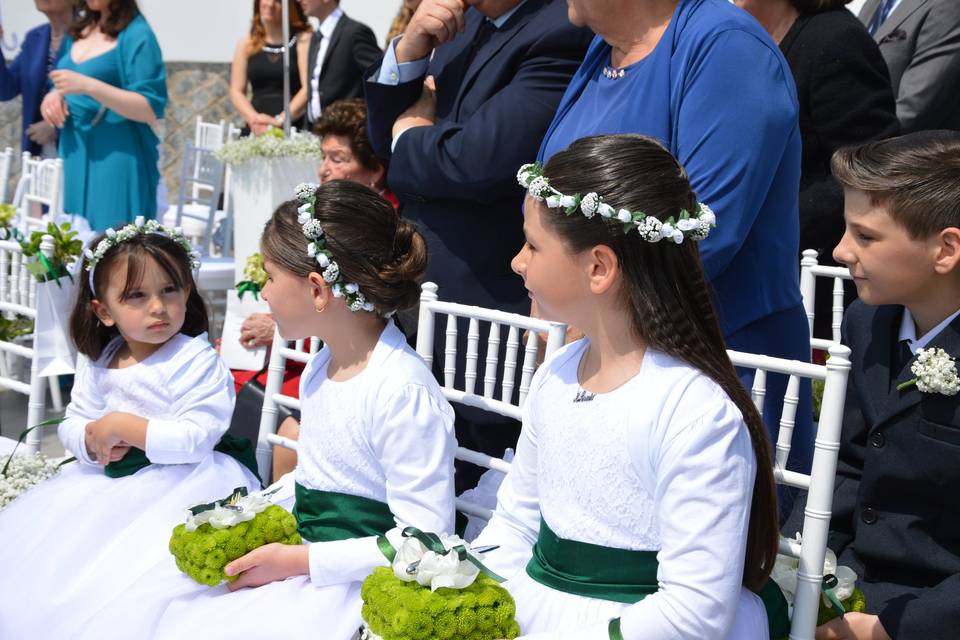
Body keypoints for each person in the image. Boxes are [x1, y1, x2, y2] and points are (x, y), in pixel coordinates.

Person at [472, 134, 786, 639]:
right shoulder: (556, 374)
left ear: (599, 267)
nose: (517, 261)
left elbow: (694, 610)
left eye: (533, 245)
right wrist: (463, 597)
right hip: (535, 605)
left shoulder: (695, 410)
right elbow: (515, 521)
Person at [152, 182, 457, 639]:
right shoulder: (323, 363)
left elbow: (425, 540)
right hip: (303, 556)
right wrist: (249, 510)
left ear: (317, 289)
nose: (266, 294)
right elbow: (318, 476)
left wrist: (298, 561)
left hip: (353, 587)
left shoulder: (401, 393)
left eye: (271, 277)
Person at [534, 0, 812, 490]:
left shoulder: (726, 45)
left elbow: (702, 231)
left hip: (711, 364)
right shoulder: (602, 50)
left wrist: (581, 315)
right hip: (600, 352)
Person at [365, 0, 593, 491]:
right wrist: (409, 48)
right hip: (421, 292)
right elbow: (382, 141)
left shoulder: (558, 29)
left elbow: (479, 160)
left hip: (486, 296)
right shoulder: (459, 27)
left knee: (478, 477)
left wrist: (413, 134)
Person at [0, 219, 260, 638]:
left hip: (183, 483)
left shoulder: (194, 359)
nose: (157, 307)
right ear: (104, 311)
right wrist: (89, 438)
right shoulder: (103, 360)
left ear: (187, 292)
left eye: (169, 290)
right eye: (136, 296)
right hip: (103, 481)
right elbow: (74, 419)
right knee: (62, 562)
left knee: (136, 575)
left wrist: (124, 425)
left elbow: (197, 436)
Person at [815, 131, 960, 640]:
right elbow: (846, 464)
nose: (841, 250)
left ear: (946, 249)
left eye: (866, 236)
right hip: (851, 583)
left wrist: (889, 629)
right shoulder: (867, 321)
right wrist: (800, 572)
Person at [734, 0, 899, 340]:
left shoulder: (836, 41)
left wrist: (760, 224)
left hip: (811, 291)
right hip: (747, 272)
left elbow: (868, 169)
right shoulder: (728, 41)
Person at [39, 0, 167, 231]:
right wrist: (54, 95)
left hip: (116, 152)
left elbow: (149, 107)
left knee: (113, 242)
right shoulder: (79, 29)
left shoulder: (138, 34)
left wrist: (90, 86)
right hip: (73, 149)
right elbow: (62, 80)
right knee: (73, 241)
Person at [859, 0, 960, 132]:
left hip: (889, 147)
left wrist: (846, 139)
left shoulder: (950, 5)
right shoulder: (876, 3)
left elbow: (912, 112)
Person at [0, 0, 71, 157]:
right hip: (38, 151)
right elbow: (6, 90)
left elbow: (94, 97)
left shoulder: (89, 37)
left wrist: (57, 127)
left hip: (76, 150)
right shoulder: (35, 37)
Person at [231, 0, 312, 137]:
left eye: (278, 1)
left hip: (292, 128)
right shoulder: (246, 44)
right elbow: (236, 90)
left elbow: (307, 88)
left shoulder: (303, 41)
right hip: (255, 129)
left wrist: (279, 120)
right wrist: (254, 119)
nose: (270, 4)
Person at [298, 0, 381, 128]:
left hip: (347, 134)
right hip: (316, 133)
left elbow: (381, 78)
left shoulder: (355, 32)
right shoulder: (315, 37)